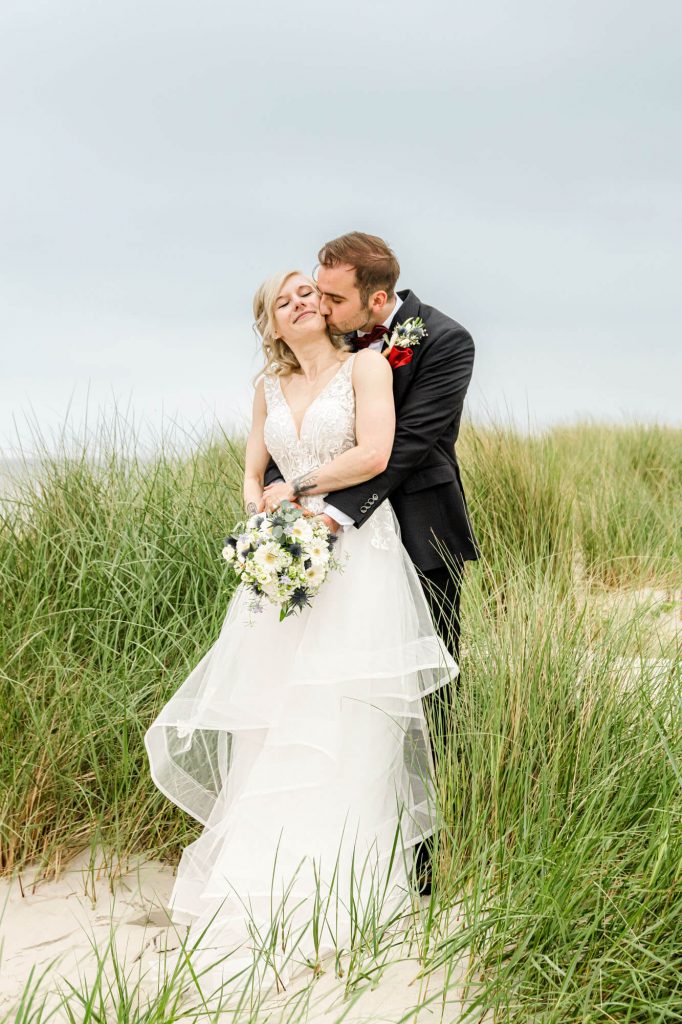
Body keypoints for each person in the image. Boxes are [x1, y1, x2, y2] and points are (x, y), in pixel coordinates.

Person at [144, 268, 458, 997]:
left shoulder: (367, 366)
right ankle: (261, 866)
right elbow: (254, 471)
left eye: (308, 292)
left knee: (342, 704)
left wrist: (303, 489)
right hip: (287, 556)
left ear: (328, 307)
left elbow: (377, 453)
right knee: (273, 707)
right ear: (273, 325)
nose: (301, 302)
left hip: (357, 558)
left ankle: (346, 876)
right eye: (284, 300)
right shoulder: (265, 389)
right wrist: (263, 513)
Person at [263, 232, 480, 894]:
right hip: (331, 533)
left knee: (426, 689)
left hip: (416, 533)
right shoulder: (336, 341)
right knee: (337, 684)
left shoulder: (444, 340)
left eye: (333, 297)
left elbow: (410, 444)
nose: (321, 309)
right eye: (317, 295)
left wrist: (330, 510)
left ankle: (425, 849)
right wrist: (281, 492)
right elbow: (300, 421)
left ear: (376, 298)